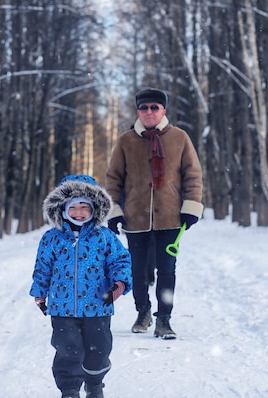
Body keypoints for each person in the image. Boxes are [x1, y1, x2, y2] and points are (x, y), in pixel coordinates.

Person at [105, 88, 203, 340]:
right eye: (144, 107)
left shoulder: (180, 138)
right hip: (135, 218)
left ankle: (164, 318)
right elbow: (113, 178)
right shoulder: (126, 141)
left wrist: (191, 207)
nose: (149, 111)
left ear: (164, 111)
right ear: (138, 111)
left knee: (167, 270)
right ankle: (143, 311)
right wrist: (114, 210)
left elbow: (193, 175)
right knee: (137, 270)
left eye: (154, 107)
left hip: (170, 218)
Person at [30, 174, 132, 398]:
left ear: (95, 208)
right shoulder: (51, 238)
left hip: (98, 305)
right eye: (73, 206)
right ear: (62, 209)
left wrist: (120, 284)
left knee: (99, 351)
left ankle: (95, 385)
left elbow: (120, 260)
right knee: (67, 350)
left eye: (84, 206)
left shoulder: (105, 237)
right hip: (62, 307)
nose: (78, 212)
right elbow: (43, 267)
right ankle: (69, 390)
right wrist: (39, 293)